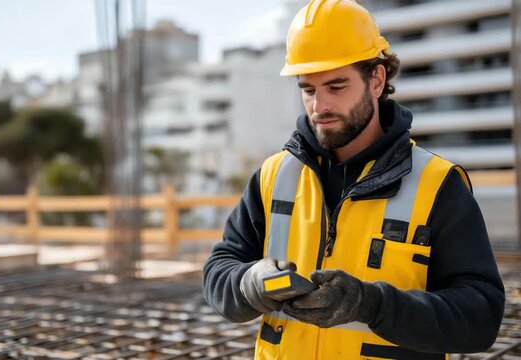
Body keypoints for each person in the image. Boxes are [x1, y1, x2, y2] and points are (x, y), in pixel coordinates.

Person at [202, 0, 505, 359]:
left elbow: (480, 317)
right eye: (309, 89)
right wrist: (248, 283)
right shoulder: (274, 176)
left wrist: (371, 304)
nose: (319, 106)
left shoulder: (438, 185)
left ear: (376, 80)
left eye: (336, 86)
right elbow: (219, 270)